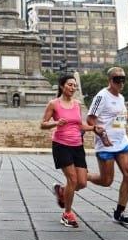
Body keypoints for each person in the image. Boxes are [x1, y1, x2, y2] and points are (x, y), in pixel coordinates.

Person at [40, 74, 107, 228]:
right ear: (62, 86)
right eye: (70, 85)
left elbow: (79, 125)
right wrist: (56, 123)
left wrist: (93, 128)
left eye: (74, 85)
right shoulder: (54, 104)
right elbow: (43, 124)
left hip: (77, 145)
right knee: (73, 180)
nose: (73, 88)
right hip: (61, 145)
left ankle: (62, 190)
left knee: (82, 182)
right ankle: (67, 214)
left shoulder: (77, 104)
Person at [87, 67, 128, 224]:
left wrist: (126, 117)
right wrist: (100, 133)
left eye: (123, 79)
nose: (121, 82)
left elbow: (115, 123)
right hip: (105, 144)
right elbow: (90, 119)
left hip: (121, 142)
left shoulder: (121, 98)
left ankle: (120, 212)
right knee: (106, 180)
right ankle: (83, 176)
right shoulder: (101, 96)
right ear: (110, 80)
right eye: (117, 79)